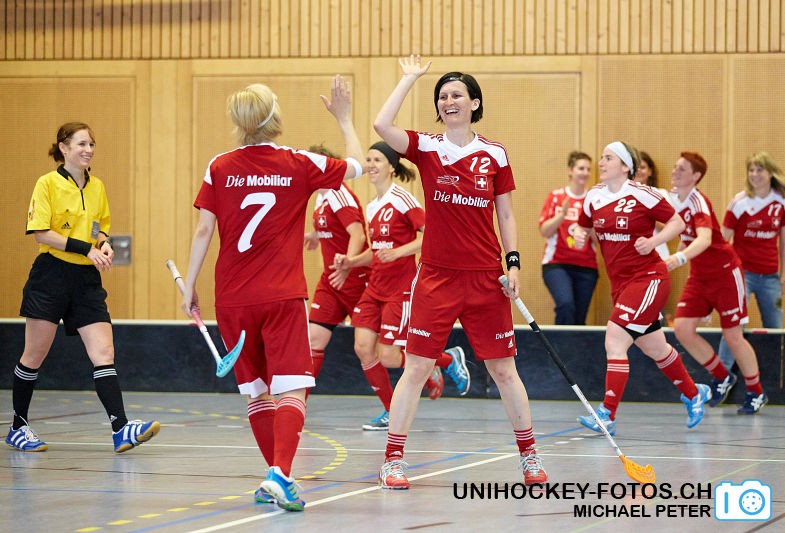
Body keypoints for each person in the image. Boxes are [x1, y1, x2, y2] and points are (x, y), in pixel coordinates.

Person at [180, 75, 365, 511]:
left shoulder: (218, 166)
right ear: (274, 117)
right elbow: (356, 164)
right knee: (293, 389)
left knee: (257, 391)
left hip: (231, 298)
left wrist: (189, 285)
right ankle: (281, 474)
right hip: (281, 295)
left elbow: (204, 230)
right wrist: (344, 118)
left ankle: (276, 477)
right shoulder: (298, 162)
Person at [372, 55, 548, 489]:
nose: (448, 101)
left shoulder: (494, 154)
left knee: (504, 371)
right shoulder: (428, 147)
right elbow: (381, 125)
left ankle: (530, 456)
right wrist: (409, 79)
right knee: (416, 368)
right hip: (436, 277)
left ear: (474, 102)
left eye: (456, 95)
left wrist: (513, 262)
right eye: (442, 96)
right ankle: (392, 460)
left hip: (486, 278)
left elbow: (505, 214)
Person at [7, 122, 160, 454]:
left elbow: (98, 228)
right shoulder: (47, 184)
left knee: (104, 353)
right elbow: (41, 232)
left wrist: (103, 245)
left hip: (86, 281)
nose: (88, 150)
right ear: (63, 147)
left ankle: (120, 428)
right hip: (51, 276)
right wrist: (85, 249)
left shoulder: (97, 187)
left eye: (91, 144)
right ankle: (18, 426)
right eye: (81, 144)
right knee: (34, 355)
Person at [573, 142, 710, 435]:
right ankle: (694, 393)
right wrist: (579, 235)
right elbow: (581, 227)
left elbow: (677, 223)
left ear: (625, 166)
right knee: (655, 348)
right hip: (621, 285)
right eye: (602, 157)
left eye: (609, 158)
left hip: (649, 279)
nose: (602, 162)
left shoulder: (642, 194)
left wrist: (654, 242)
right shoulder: (594, 196)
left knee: (615, 340)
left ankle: (607, 413)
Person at [332, 142, 468, 431]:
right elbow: (377, 251)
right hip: (374, 287)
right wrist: (351, 261)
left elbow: (432, 235)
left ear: (391, 167)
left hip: (400, 289)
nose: (370, 165)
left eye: (377, 160)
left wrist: (398, 252)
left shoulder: (402, 199)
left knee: (390, 357)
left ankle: (445, 360)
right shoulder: (372, 206)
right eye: (368, 159)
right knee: (362, 348)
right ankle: (389, 410)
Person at [666, 152, 769, 414]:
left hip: (725, 274)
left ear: (695, 176)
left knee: (733, 335)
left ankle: (756, 391)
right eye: (675, 167)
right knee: (683, 329)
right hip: (700, 276)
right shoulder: (673, 199)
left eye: (681, 169)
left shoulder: (698, 201)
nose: (675, 171)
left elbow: (704, 239)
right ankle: (722, 376)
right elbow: (686, 236)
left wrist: (678, 259)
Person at [716, 152, 785, 374]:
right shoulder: (740, 202)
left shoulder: (781, 202)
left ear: (770, 173)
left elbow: (783, 241)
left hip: (770, 277)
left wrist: (783, 275)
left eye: (759, 170)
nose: (754, 174)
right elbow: (722, 240)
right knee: (734, 325)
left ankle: (775, 378)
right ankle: (722, 376)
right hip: (741, 274)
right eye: (751, 170)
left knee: (775, 327)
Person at [538, 151, 599, 325]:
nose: (585, 173)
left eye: (588, 169)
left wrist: (589, 222)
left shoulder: (594, 200)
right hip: (557, 264)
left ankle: (574, 344)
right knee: (565, 305)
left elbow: (600, 240)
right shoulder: (556, 197)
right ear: (570, 170)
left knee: (579, 319)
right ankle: (560, 344)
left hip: (586, 267)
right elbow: (544, 231)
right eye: (581, 168)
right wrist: (562, 215)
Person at [634, 151, 672, 260]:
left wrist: (645, 215)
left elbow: (670, 227)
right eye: (636, 167)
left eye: (642, 167)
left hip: (657, 254)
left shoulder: (660, 194)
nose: (639, 170)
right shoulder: (622, 195)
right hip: (631, 256)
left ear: (650, 171)